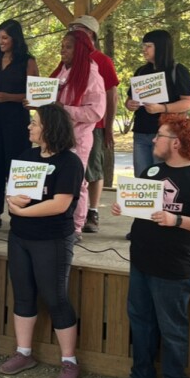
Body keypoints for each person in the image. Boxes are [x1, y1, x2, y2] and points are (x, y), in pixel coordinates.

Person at [110, 114, 190, 378]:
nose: (154, 140)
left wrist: (177, 220)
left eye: (160, 136)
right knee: (140, 321)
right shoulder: (151, 171)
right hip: (141, 260)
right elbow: (142, 206)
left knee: (172, 328)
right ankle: (141, 377)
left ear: (176, 143)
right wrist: (124, 206)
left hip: (174, 267)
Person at [0, 104, 83, 378]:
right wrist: (12, 201)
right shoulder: (28, 156)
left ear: (50, 128)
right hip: (20, 237)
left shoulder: (70, 162)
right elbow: (13, 191)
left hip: (52, 238)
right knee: (23, 294)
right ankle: (23, 353)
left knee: (55, 297)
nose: (29, 126)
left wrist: (21, 212)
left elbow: (60, 204)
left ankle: (69, 361)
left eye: (34, 122)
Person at [50, 29, 106, 239]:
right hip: (58, 136)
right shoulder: (64, 71)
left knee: (76, 182)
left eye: (68, 47)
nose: (62, 51)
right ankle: (59, 222)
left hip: (78, 138)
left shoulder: (92, 75)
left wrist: (64, 109)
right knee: (56, 181)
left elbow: (96, 112)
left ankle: (76, 227)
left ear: (80, 49)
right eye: (62, 46)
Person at [0, 19, 39, 228]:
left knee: (18, 165)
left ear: (15, 38)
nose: (0, 41)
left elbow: (35, 95)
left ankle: (21, 211)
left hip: (16, 118)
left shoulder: (27, 61)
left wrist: (9, 97)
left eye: (5, 38)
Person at [68, 16, 119, 234]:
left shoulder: (101, 61)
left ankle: (92, 211)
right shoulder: (68, 63)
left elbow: (112, 94)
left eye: (77, 28)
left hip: (93, 126)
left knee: (92, 170)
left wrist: (108, 126)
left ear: (90, 34)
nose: (73, 30)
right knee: (73, 174)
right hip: (67, 129)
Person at [124, 29, 190, 177]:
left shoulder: (178, 70)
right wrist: (130, 104)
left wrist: (162, 108)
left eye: (148, 46)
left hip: (167, 135)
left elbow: (189, 102)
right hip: (141, 133)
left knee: (164, 178)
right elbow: (129, 99)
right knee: (142, 179)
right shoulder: (141, 71)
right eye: (143, 46)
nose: (144, 50)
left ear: (161, 47)